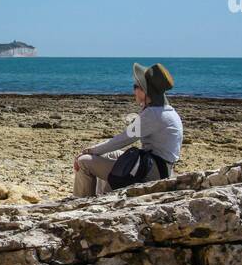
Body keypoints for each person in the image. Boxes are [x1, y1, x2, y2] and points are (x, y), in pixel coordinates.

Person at [73, 62, 182, 197]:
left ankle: (82, 202)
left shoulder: (153, 114)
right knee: (105, 154)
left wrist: (87, 151)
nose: (133, 91)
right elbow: (120, 140)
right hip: (158, 167)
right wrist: (95, 151)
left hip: (151, 172)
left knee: (83, 161)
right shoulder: (166, 111)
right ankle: (102, 195)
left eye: (136, 86)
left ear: (146, 91)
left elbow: (122, 140)